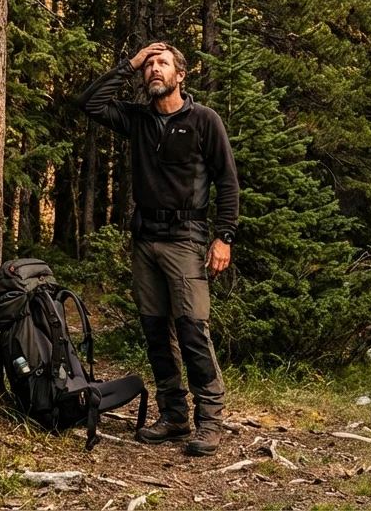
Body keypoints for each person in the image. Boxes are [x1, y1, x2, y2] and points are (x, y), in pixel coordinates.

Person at [77, 41, 239, 456]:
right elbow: (90, 102)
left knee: (191, 330)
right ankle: (173, 416)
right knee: (155, 332)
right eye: (148, 65)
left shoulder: (204, 120)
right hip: (144, 240)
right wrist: (128, 62)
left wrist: (224, 237)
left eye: (162, 64)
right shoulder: (137, 119)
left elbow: (228, 182)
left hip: (186, 240)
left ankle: (210, 420)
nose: (154, 70)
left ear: (179, 75)